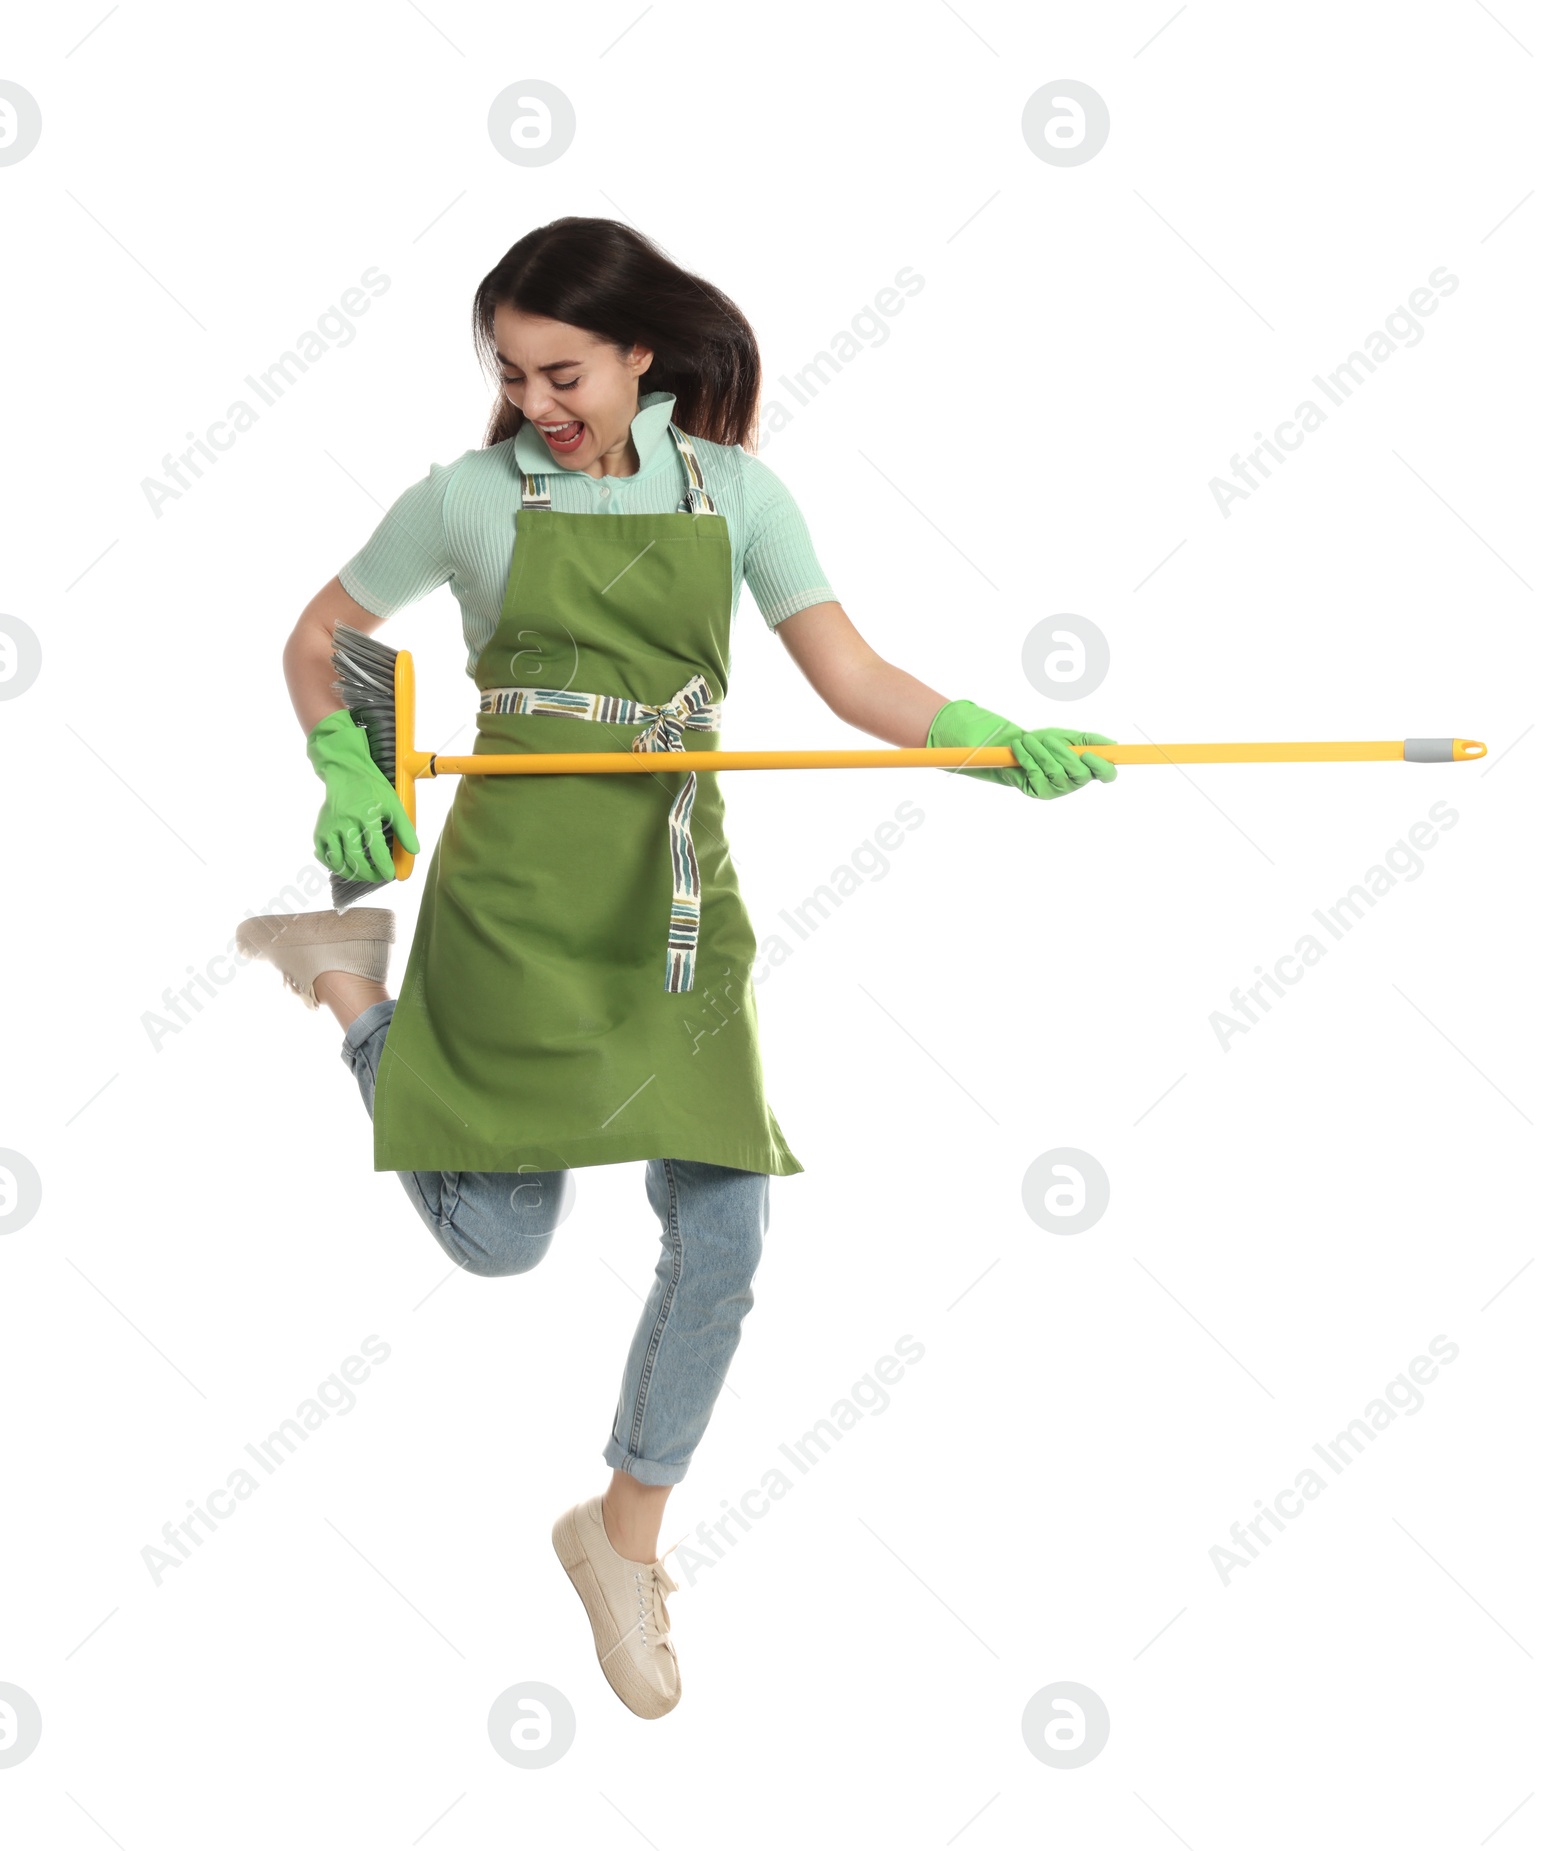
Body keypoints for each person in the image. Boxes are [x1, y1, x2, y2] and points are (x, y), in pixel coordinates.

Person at [234, 216, 1117, 1720]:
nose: (535, 404)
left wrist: (987, 741)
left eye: (560, 371)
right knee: (500, 1243)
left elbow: (851, 679)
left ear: (642, 352)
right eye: (512, 377)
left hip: (675, 892)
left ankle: (622, 1538)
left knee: (725, 1239)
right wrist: (336, 744)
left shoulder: (742, 496)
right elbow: (323, 632)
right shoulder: (464, 501)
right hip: (514, 887)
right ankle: (348, 980)